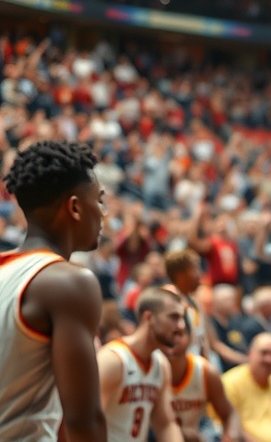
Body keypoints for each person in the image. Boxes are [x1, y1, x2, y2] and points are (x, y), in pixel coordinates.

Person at [0, 140, 107, 442]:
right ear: (74, 207)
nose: (103, 213)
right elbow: (84, 422)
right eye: (99, 200)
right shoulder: (69, 283)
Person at [96, 287, 185, 441]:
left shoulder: (160, 365)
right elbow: (85, 422)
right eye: (174, 317)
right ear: (149, 317)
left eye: (182, 318)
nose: (181, 326)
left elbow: (165, 424)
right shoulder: (113, 360)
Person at [163, 318, 242, 442]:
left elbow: (230, 414)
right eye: (165, 336)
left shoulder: (205, 371)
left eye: (178, 334)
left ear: (189, 338)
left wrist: (230, 437)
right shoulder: (148, 372)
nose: (172, 341)